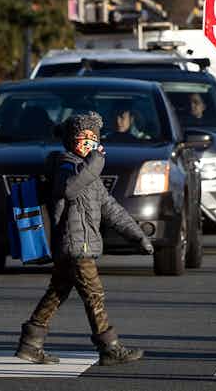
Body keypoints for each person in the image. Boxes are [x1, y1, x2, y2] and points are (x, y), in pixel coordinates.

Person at [15, 111, 154, 366]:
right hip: (74, 245)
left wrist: (138, 237)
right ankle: (109, 347)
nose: (88, 143)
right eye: (83, 138)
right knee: (94, 294)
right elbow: (68, 189)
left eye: (93, 138)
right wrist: (96, 162)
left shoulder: (89, 173)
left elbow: (112, 209)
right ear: (71, 140)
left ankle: (30, 343)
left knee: (57, 292)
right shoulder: (65, 165)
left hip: (81, 244)